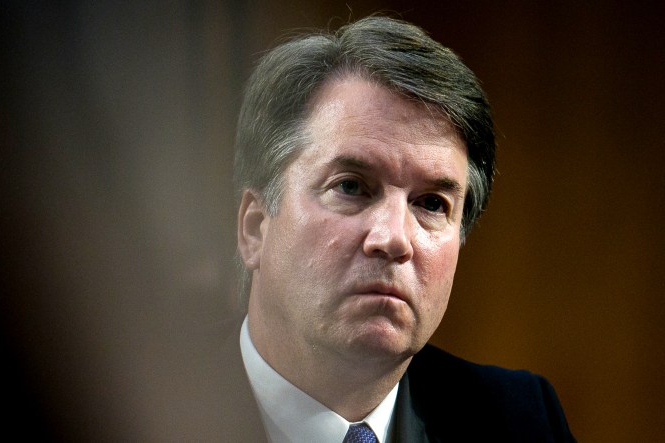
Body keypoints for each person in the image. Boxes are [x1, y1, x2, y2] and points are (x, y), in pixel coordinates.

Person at [174, 16, 575, 442]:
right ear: (255, 228)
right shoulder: (131, 410)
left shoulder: (519, 423)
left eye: (431, 204)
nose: (394, 238)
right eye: (351, 187)